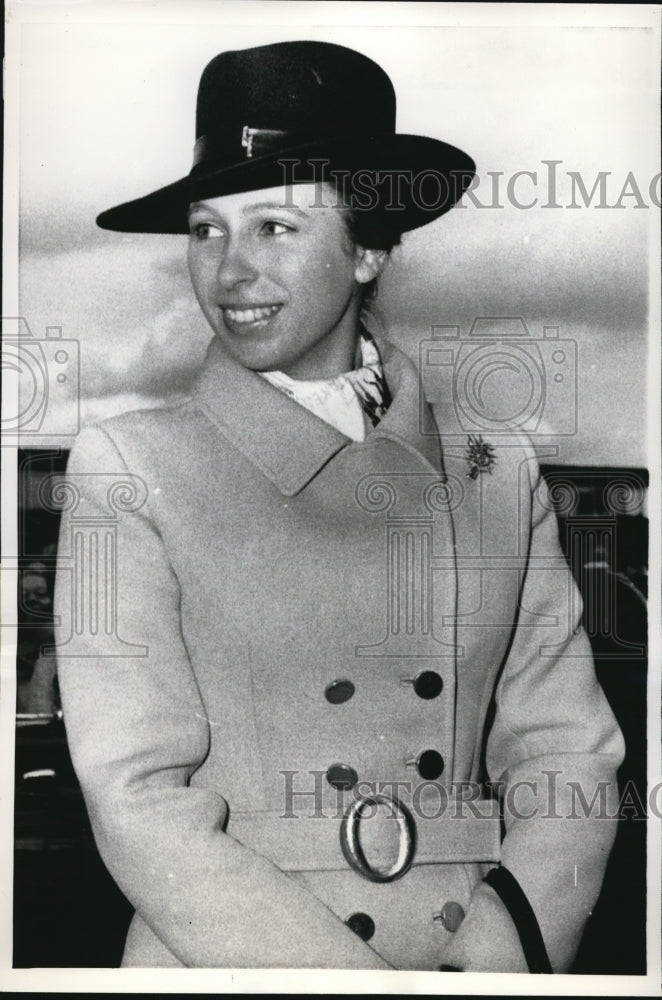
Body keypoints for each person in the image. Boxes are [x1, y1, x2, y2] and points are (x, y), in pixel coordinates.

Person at [54, 41, 624, 972]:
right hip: (236, 963)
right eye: (206, 229)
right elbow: (137, 795)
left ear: (366, 249)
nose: (229, 271)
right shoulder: (129, 467)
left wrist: (506, 943)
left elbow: (567, 754)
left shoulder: (497, 472)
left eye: (274, 226)